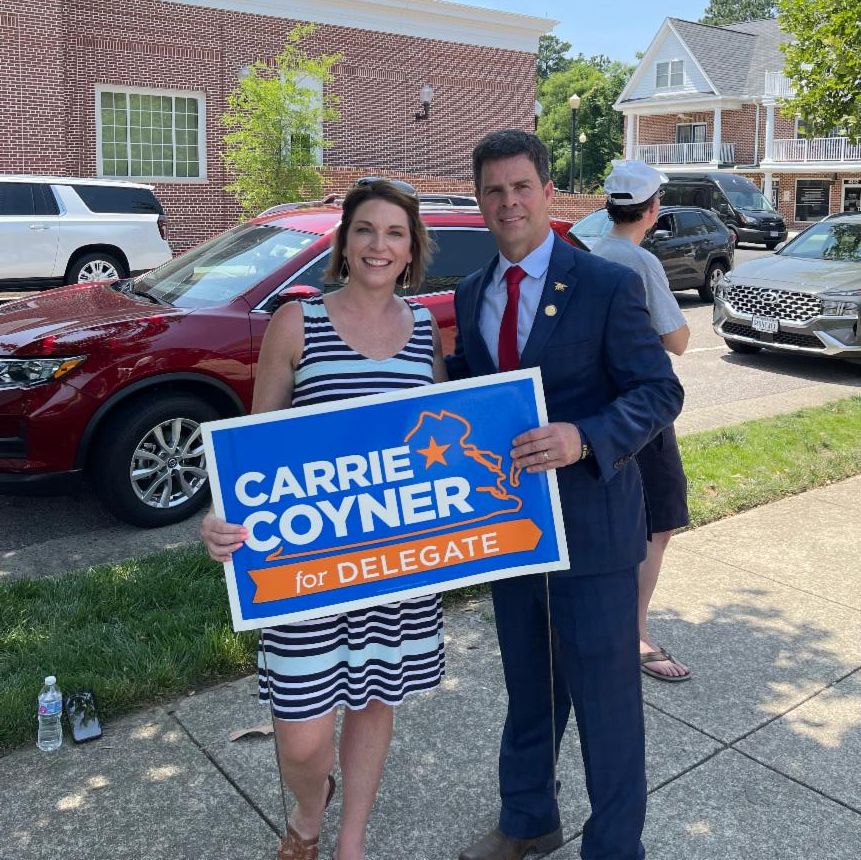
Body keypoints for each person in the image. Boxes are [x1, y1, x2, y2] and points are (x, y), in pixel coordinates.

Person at [447, 130, 684, 860]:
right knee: (529, 691)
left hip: (593, 532)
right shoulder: (471, 293)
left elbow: (659, 391)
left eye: (522, 186)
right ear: (480, 202)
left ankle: (613, 848)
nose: (508, 202)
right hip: (511, 531)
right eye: (494, 190)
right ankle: (527, 822)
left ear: (548, 194)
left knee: (606, 708)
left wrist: (585, 437)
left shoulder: (605, 284)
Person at [200, 179, 447, 860]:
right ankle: (311, 806)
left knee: (374, 701)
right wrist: (220, 518)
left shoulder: (423, 331)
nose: (378, 245)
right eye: (364, 229)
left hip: (394, 565)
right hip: (306, 568)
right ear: (343, 243)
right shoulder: (297, 322)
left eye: (394, 233)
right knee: (302, 740)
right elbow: (253, 446)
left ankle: (346, 841)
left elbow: (437, 450)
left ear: (411, 250)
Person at [591, 160, 692, 683]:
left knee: (615, 518)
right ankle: (634, 631)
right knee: (659, 519)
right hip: (643, 408)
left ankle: (610, 621)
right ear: (652, 209)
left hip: (598, 411)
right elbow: (678, 340)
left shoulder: (590, 252)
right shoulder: (640, 261)